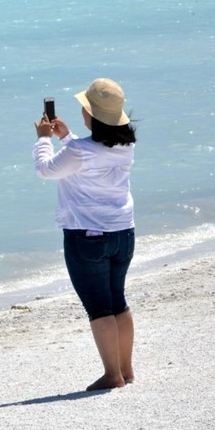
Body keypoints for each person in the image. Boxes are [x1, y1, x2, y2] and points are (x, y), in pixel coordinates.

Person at [33, 78, 137, 391]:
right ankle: (126, 369)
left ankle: (111, 374)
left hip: (87, 236)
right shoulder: (125, 145)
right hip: (122, 231)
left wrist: (43, 139)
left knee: (99, 307)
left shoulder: (80, 151)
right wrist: (66, 137)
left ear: (92, 115)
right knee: (117, 302)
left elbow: (45, 169)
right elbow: (90, 157)